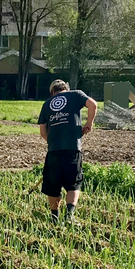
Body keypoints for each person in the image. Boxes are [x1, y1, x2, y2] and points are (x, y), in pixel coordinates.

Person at [38, 79, 97, 222]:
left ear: (52, 92)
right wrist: (89, 123)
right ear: (66, 88)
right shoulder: (75, 94)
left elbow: (42, 131)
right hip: (73, 149)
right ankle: (69, 215)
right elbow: (93, 105)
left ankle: (54, 217)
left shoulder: (47, 104)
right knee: (73, 183)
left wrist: (53, 142)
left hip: (53, 152)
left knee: (53, 185)